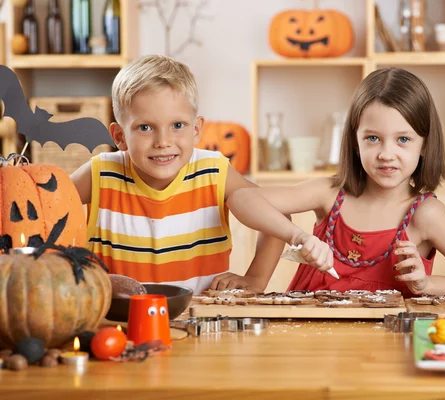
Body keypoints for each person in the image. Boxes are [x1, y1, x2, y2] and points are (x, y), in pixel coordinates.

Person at [228, 67, 445, 298]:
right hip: (310, 347)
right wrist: (292, 242)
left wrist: (427, 284)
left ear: (424, 145)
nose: (386, 154)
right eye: (373, 138)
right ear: (355, 142)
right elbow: (241, 198)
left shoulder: (425, 214)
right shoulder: (329, 193)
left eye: (403, 139)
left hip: (385, 352)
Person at [70, 54, 333, 295]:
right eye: (145, 127)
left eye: (177, 125)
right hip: (116, 325)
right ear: (119, 136)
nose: (163, 141)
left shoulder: (214, 172)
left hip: (202, 324)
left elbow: (274, 215)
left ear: (196, 131)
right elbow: (44, 210)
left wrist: (256, 279)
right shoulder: (100, 173)